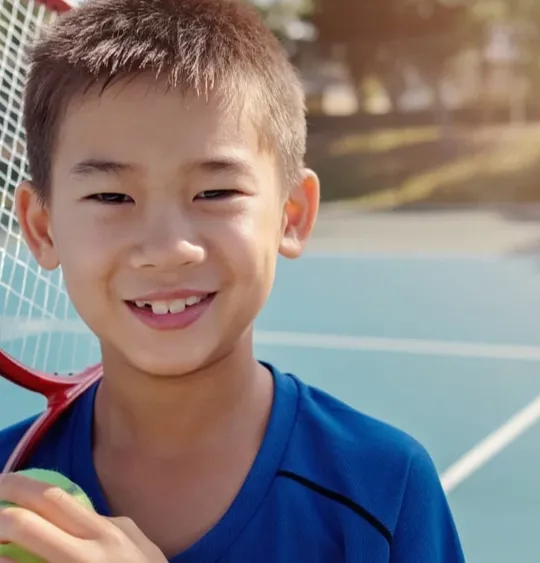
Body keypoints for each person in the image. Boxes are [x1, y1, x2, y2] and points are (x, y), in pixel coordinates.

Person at [0, 0, 465, 561]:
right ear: (41, 227)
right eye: (111, 196)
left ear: (292, 214)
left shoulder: (384, 487)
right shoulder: (10, 483)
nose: (169, 249)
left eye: (215, 193)